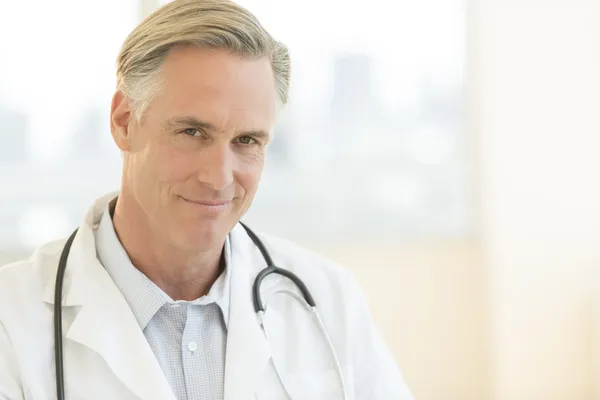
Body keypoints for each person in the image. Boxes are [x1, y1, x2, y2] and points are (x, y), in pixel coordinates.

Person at [0, 1, 414, 399]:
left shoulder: (328, 301)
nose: (218, 177)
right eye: (192, 132)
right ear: (124, 122)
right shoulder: (11, 321)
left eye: (246, 140)